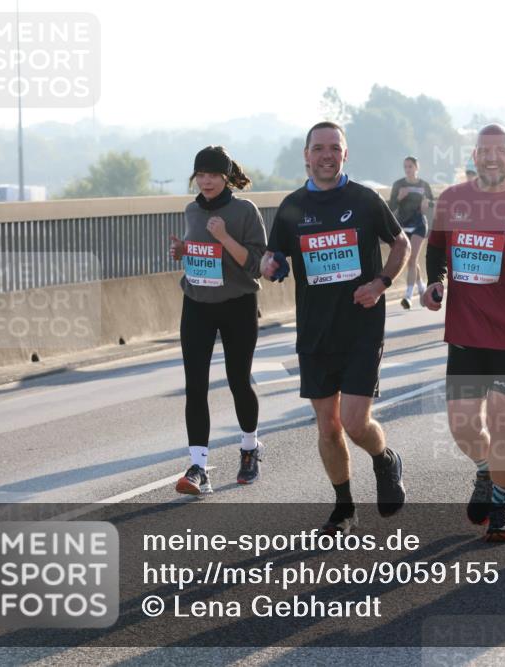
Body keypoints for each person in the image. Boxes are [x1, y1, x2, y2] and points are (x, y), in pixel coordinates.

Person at [261, 121, 410, 534]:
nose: (326, 155)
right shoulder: (292, 207)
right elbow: (273, 259)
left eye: (334, 148)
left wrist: (381, 283)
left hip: (362, 327)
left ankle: (384, 459)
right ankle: (344, 507)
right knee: (328, 425)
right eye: (319, 148)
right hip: (315, 332)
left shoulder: (364, 200)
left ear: (345, 154)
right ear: (307, 155)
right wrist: (269, 265)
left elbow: (401, 243)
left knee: (355, 422)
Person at [422, 124, 505, 542]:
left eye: (500, 151)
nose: (492, 157)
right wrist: (435, 282)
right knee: (463, 425)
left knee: (503, 419)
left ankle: (500, 508)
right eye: (485, 151)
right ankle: (485, 470)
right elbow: (436, 248)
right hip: (466, 331)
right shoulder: (453, 200)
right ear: (475, 156)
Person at [169, 146, 268, 494]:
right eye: (200, 175)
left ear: (226, 177)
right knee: (195, 386)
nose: (206, 181)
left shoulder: (245, 211)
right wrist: (183, 251)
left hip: (237, 304)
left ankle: (250, 448)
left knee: (238, 381)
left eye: (212, 175)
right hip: (197, 303)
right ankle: (198, 467)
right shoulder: (192, 210)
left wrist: (224, 237)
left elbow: (256, 265)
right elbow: (202, 253)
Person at [389, 156, 434, 310]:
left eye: (410, 166)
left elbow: (432, 202)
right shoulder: (398, 184)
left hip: (419, 224)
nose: (408, 169)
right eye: (405, 167)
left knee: (412, 258)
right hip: (403, 225)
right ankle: (422, 289)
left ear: (416, 167)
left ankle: (408, 296)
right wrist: (399, 197)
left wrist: (427, 203)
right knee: (410, 260)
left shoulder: (424, 185)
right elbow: (391, 206)